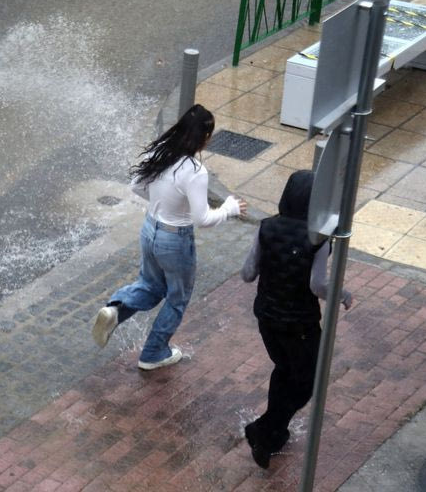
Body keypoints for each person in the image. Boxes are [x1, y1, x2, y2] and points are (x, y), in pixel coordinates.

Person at [91, 104, 246, 370]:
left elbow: (136, 186)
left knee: (151, 285)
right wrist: (229, 209)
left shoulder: (160, 151)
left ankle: (115, 309)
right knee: (177, 297)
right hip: (175, 240)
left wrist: (163, 202)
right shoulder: (195, 172)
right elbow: (203, 219)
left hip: (150, 228)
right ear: (204, 137)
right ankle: (153, 353)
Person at [239, 169, 352, 468]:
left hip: (267, 316)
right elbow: (317, 286)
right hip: (300, 322)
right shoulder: (318, 240)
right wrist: (341, 293)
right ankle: (263, 430)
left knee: (284, 368)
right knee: (307, 381)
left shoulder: (266, 227)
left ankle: (272, 433)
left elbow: (248, 274)